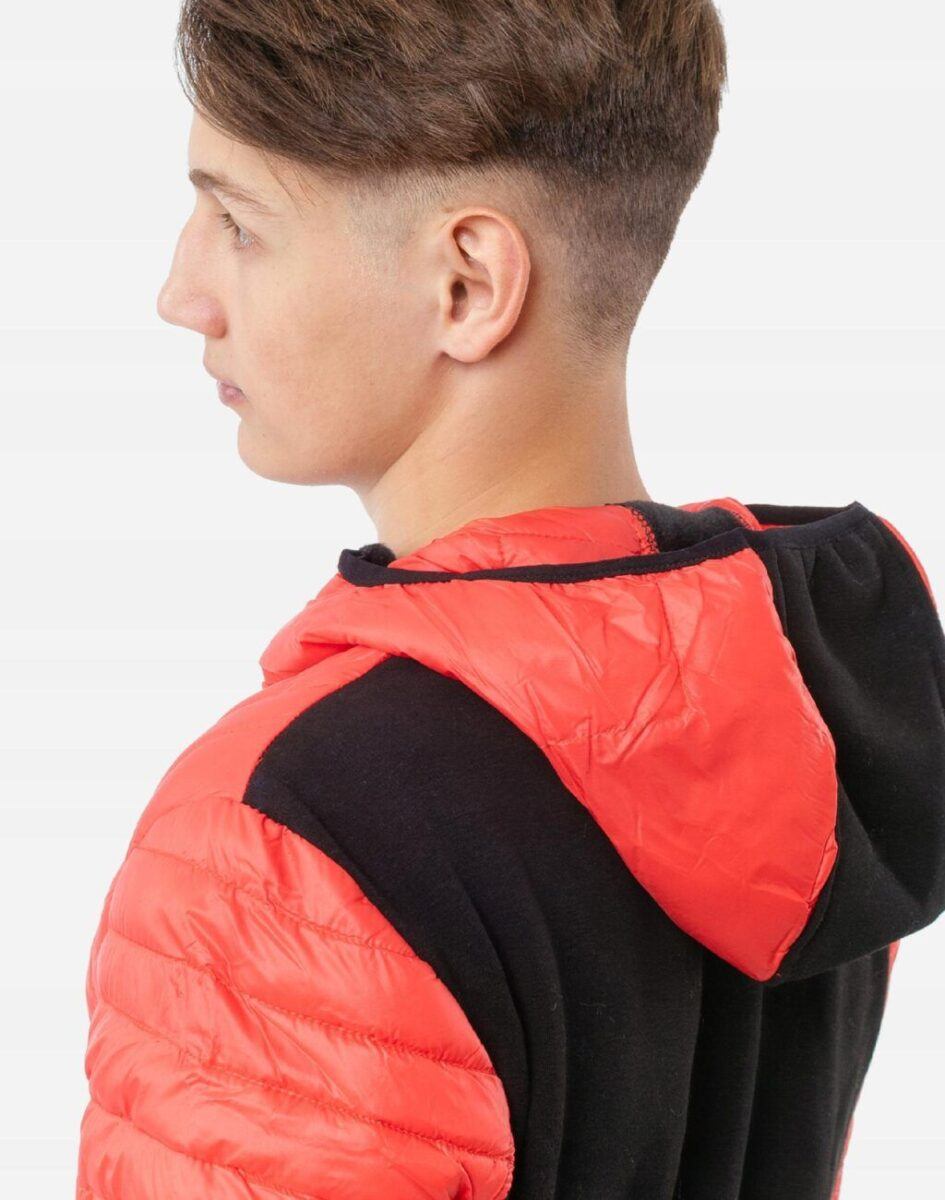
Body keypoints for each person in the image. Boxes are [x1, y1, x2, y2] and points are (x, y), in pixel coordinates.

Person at [75, 3, 945, 1198]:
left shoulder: (284, 831)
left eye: (239, 223)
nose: (183, 292)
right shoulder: (811, 720)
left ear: (467, 284)